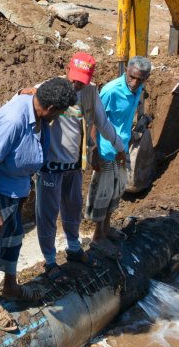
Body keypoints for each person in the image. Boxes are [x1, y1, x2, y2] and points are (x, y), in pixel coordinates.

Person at [0, 77, 77, 332]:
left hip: (15, 188)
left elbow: (35, 89)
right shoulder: (14, 120)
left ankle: (11, 286)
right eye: (60, 113)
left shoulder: (40, 108)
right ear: (51, 110)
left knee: (13, 237)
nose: (59, 117)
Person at [22, 53, 128, 283]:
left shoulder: (90, 93)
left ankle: (73, 247)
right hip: (51, 166)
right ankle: (49, 261)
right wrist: (24, 92)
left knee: (73, 208)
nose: (76, 84)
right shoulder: (52, 87)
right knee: (48, 214)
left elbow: (102, 123)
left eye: (82, 80)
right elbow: (25, 96)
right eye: (74, 78)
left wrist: (120, 147)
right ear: (67, 69)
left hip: (74, 165)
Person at [84, 55, 152, 259]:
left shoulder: (137, 89)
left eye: (140, 79)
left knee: (116, 192)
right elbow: (94, 121)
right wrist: (93, 151)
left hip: (122, 149)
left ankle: (106, 229)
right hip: (106, 150)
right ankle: (98, 236)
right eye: (132, 77)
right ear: (126, 72)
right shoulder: (111, 91)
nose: (135, 83)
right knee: (102, 195)